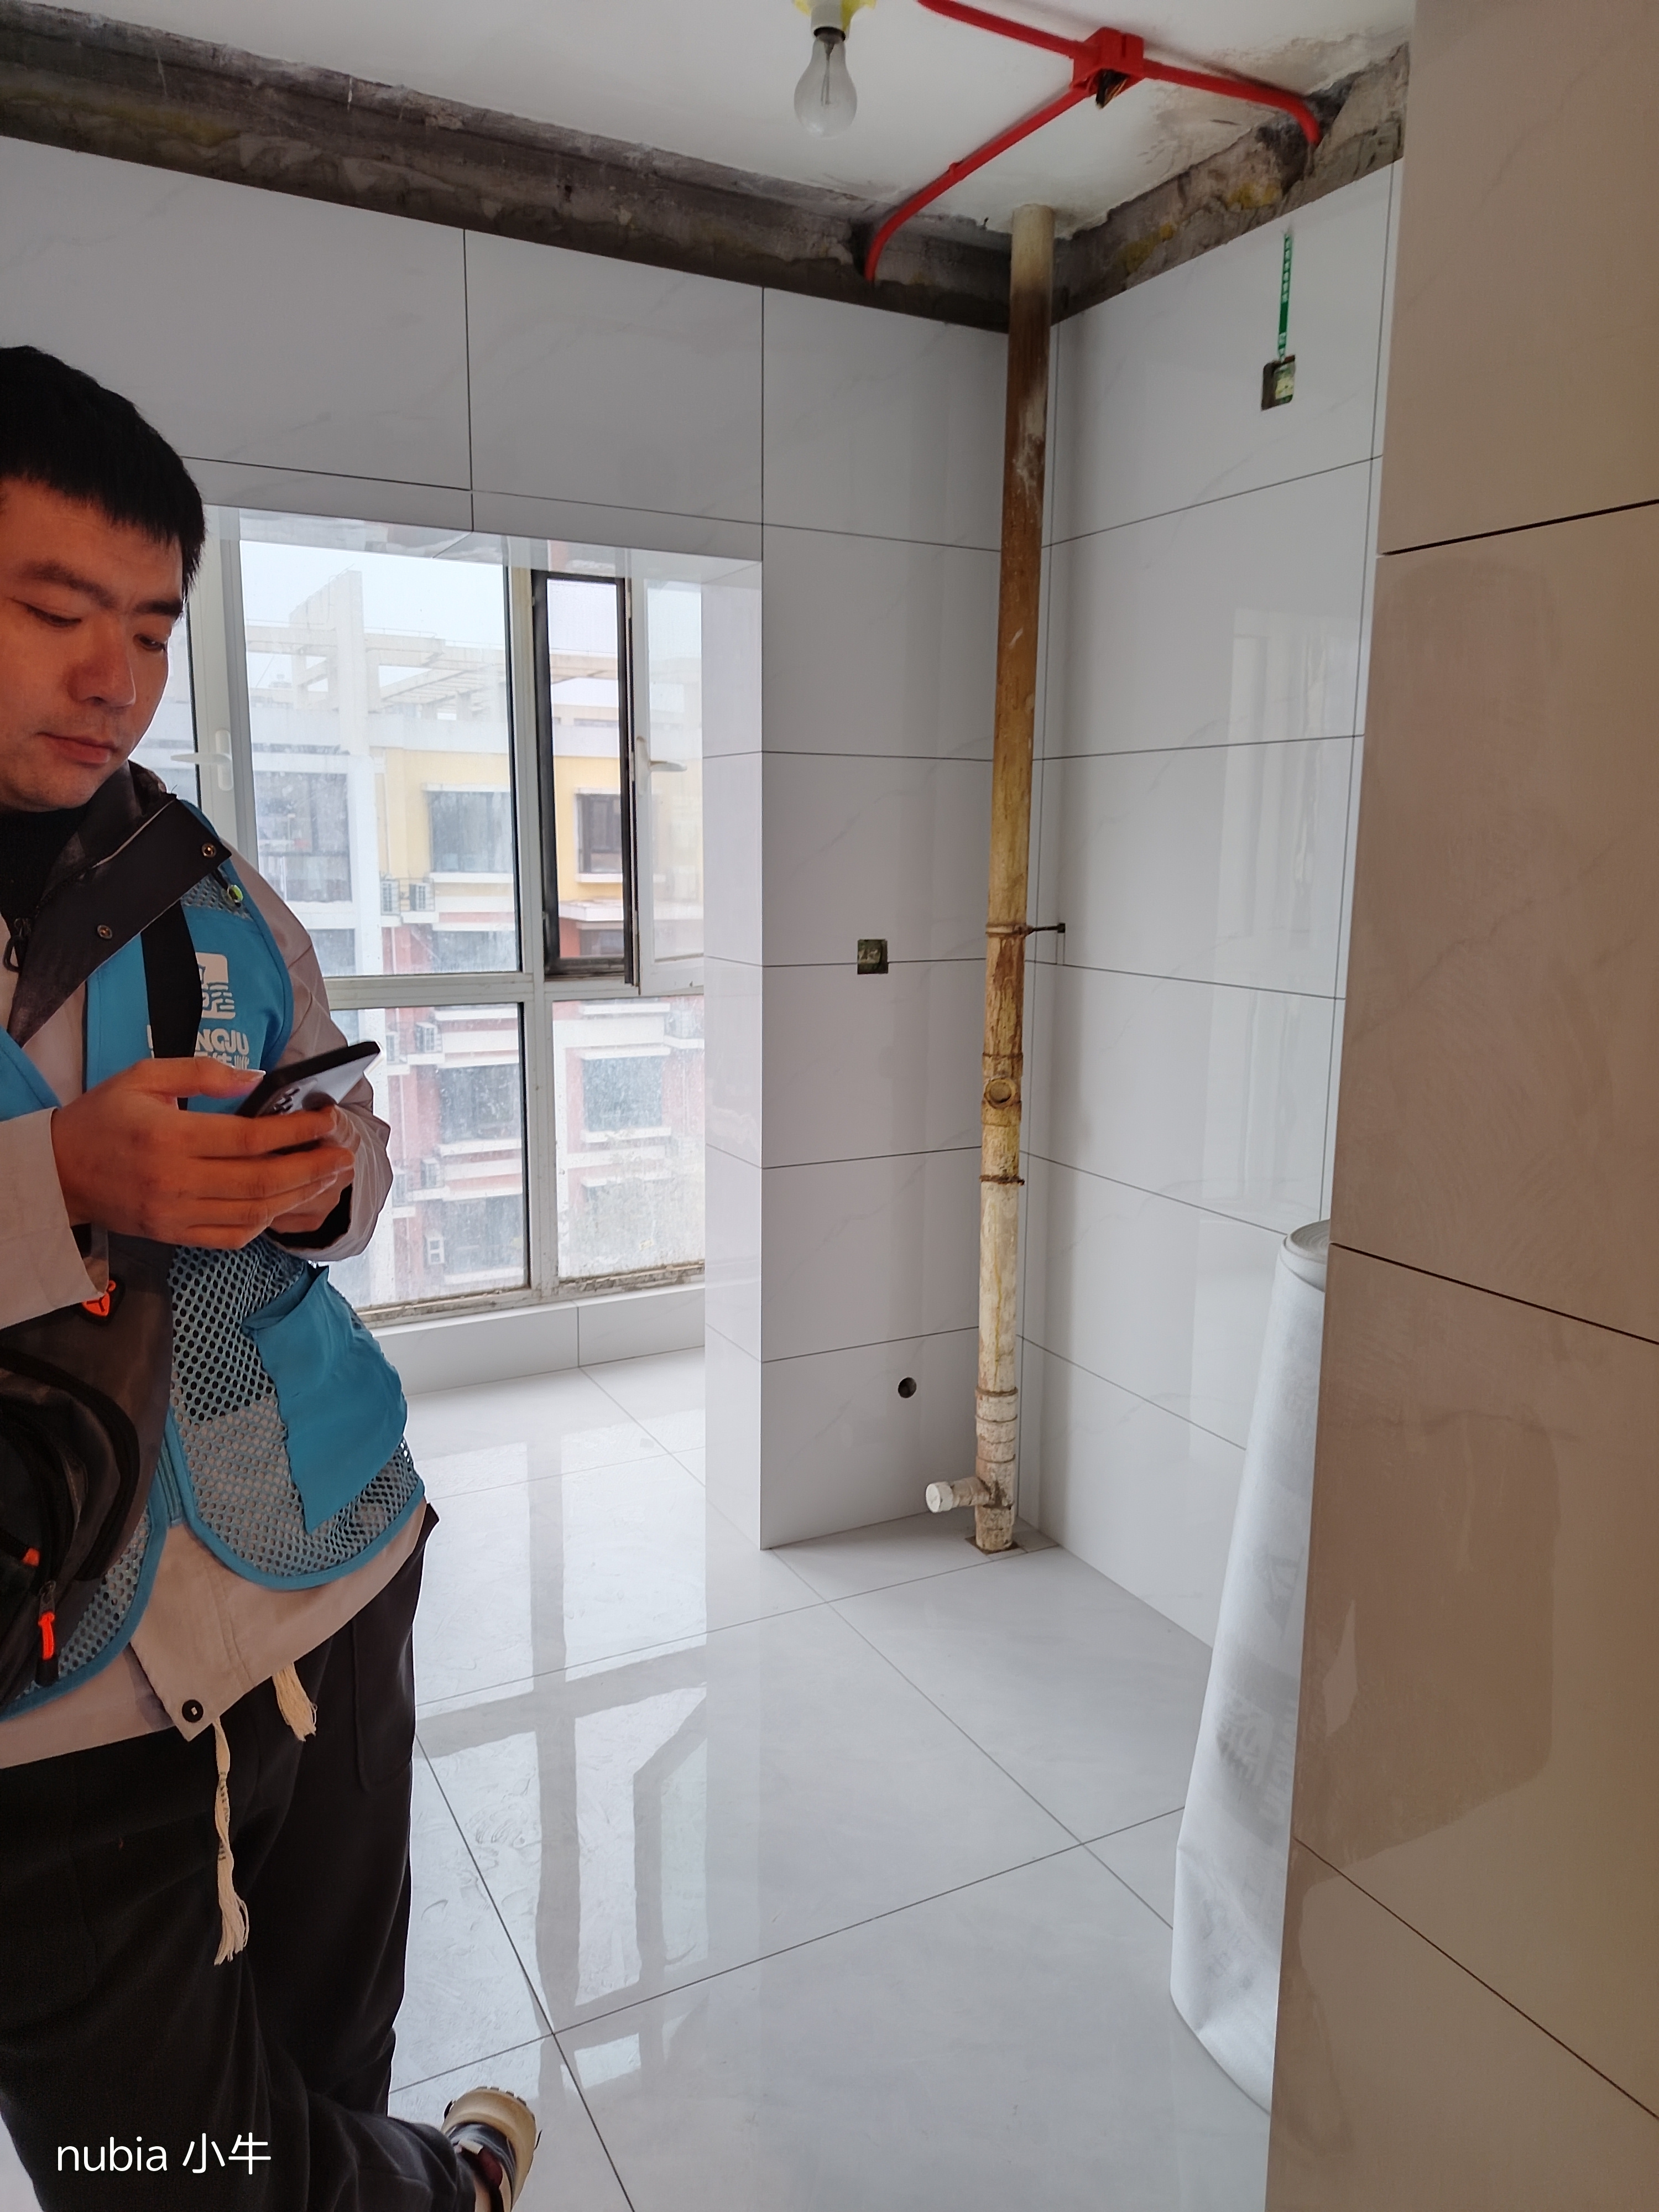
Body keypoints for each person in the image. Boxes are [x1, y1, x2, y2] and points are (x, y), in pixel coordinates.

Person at [0, 347, 535, 2211]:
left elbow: (351, 1137)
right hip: (45, 1680)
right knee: (162, 2170)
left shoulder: (200, 876)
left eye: (150, 628)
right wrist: (61, 1179)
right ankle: (453, 2188)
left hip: (331, 1561)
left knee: (324, 2057)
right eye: (54, 611)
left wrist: (321, 1184)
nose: (115, 677)